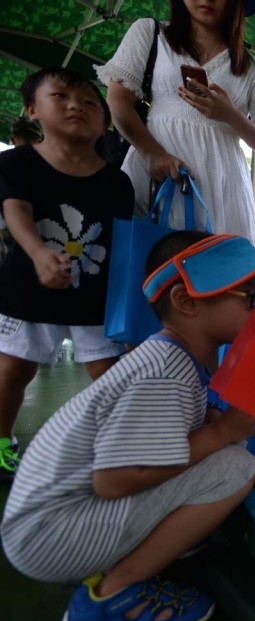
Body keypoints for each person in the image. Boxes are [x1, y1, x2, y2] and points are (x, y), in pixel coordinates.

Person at [1, 230, 255, 621]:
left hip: (49, 526)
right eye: (247, 296)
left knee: (221, 445)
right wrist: (223, 431)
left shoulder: (169, 357)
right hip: (51, 537)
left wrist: (217, 425)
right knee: (233, 466)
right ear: (186, 302)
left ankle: (157, 541)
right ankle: (111, 594)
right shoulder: (165, 372)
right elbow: (115, 479)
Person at [0, 68, 134, 483]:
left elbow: (124, 244)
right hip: (27, 288)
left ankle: (114, 447)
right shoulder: (18, 162)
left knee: (109, 373)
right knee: (13, 370)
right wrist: (39, 252)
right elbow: (15, 211)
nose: (76, 105)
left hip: (95, 296)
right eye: (60, 96)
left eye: (90, 102)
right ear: (32, 110)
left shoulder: (119, 181)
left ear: (105, 122)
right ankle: (2, 441)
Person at [97, 0, 255, 243]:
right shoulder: (150, 33)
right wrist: (152, 153)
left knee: (217, 274)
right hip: (156, 174)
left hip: (224, 187)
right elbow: (118, 101)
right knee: (146, 263)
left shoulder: (253, 69)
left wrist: (231, 116)